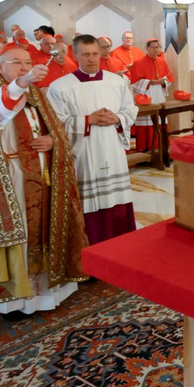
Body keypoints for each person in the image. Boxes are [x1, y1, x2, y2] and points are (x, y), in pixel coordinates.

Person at [0, 48, 89, 319]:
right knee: (19, 235)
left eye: (28, 63)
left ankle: (46, 294)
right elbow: (1, 109)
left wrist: (53, 140)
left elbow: (53, 127)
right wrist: (23, 82)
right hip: (8, 178)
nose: (24, 68)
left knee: (43, 230)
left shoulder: (35, 93)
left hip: (42, 172)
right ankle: (13, 301)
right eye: (17, 63)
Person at [46, 35, 138, 244]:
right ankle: (91, 245)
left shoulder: (116, 81)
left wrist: (117, 118)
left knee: (117, 198)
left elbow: (130, 109)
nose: (91, 59)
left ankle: (122, 243)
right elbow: (55, 123)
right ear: (75, 55)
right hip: (85, 151)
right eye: (86, 54)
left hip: (112, 148)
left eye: (95, 53)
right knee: (89, 201)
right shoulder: (60, 86)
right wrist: (88, 120)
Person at [127, 38, 173, 151]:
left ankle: (161, 146)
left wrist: (163, 82)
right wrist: (149, 82)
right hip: (146, 94)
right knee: (147, 119)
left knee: (160, 119)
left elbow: (169, 78)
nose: (155, 49)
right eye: (152, 47)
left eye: (157, 47)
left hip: (159, 95)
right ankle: (145, 147)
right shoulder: (139, 63)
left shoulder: (162, 61)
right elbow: (134, 83)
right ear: (147, 48)